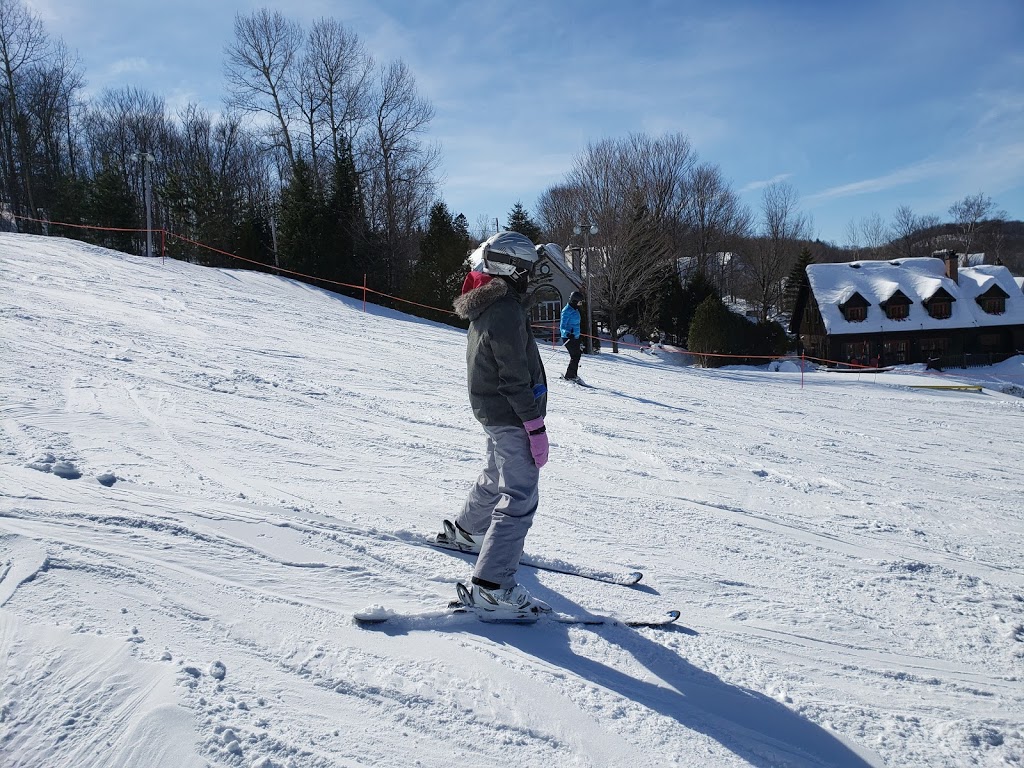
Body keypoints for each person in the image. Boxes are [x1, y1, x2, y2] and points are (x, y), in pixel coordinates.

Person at [436, 231, 551, 616]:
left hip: (495, 412)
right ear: (511, 267)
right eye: (529, 268)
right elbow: (513, 376)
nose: (531, 275)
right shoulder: (504, 309)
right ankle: (493, 587)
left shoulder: (493, 303)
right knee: (520, 495)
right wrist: (534, 426)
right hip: (510, 414)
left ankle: (468, 531)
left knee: (494, 472)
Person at [560, 291, 584, 382]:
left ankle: (573, 374)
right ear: (574, 301)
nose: (580, 304)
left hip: (575, 337)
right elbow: (562, 326)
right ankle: (569, 376)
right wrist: (567, 333)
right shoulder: (566, 311)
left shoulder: (575, 309)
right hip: (568, 338)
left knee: (577, 355)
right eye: (579, 302)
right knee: (575, 356)